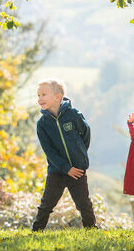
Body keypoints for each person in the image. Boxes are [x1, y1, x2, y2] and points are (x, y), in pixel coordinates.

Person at [31, 79, 96, 231]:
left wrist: (80, 156)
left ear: (58, 97)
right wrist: (66, 168)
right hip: (57, 171)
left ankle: (92, 229)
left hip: (78, 170)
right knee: (46, 204)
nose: (40, 99)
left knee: (84, 203)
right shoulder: (42, 124)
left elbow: (85, 135)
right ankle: (36, 231)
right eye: (38, 95)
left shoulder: (74, 115)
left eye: (44, 95)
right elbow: (49, 151)